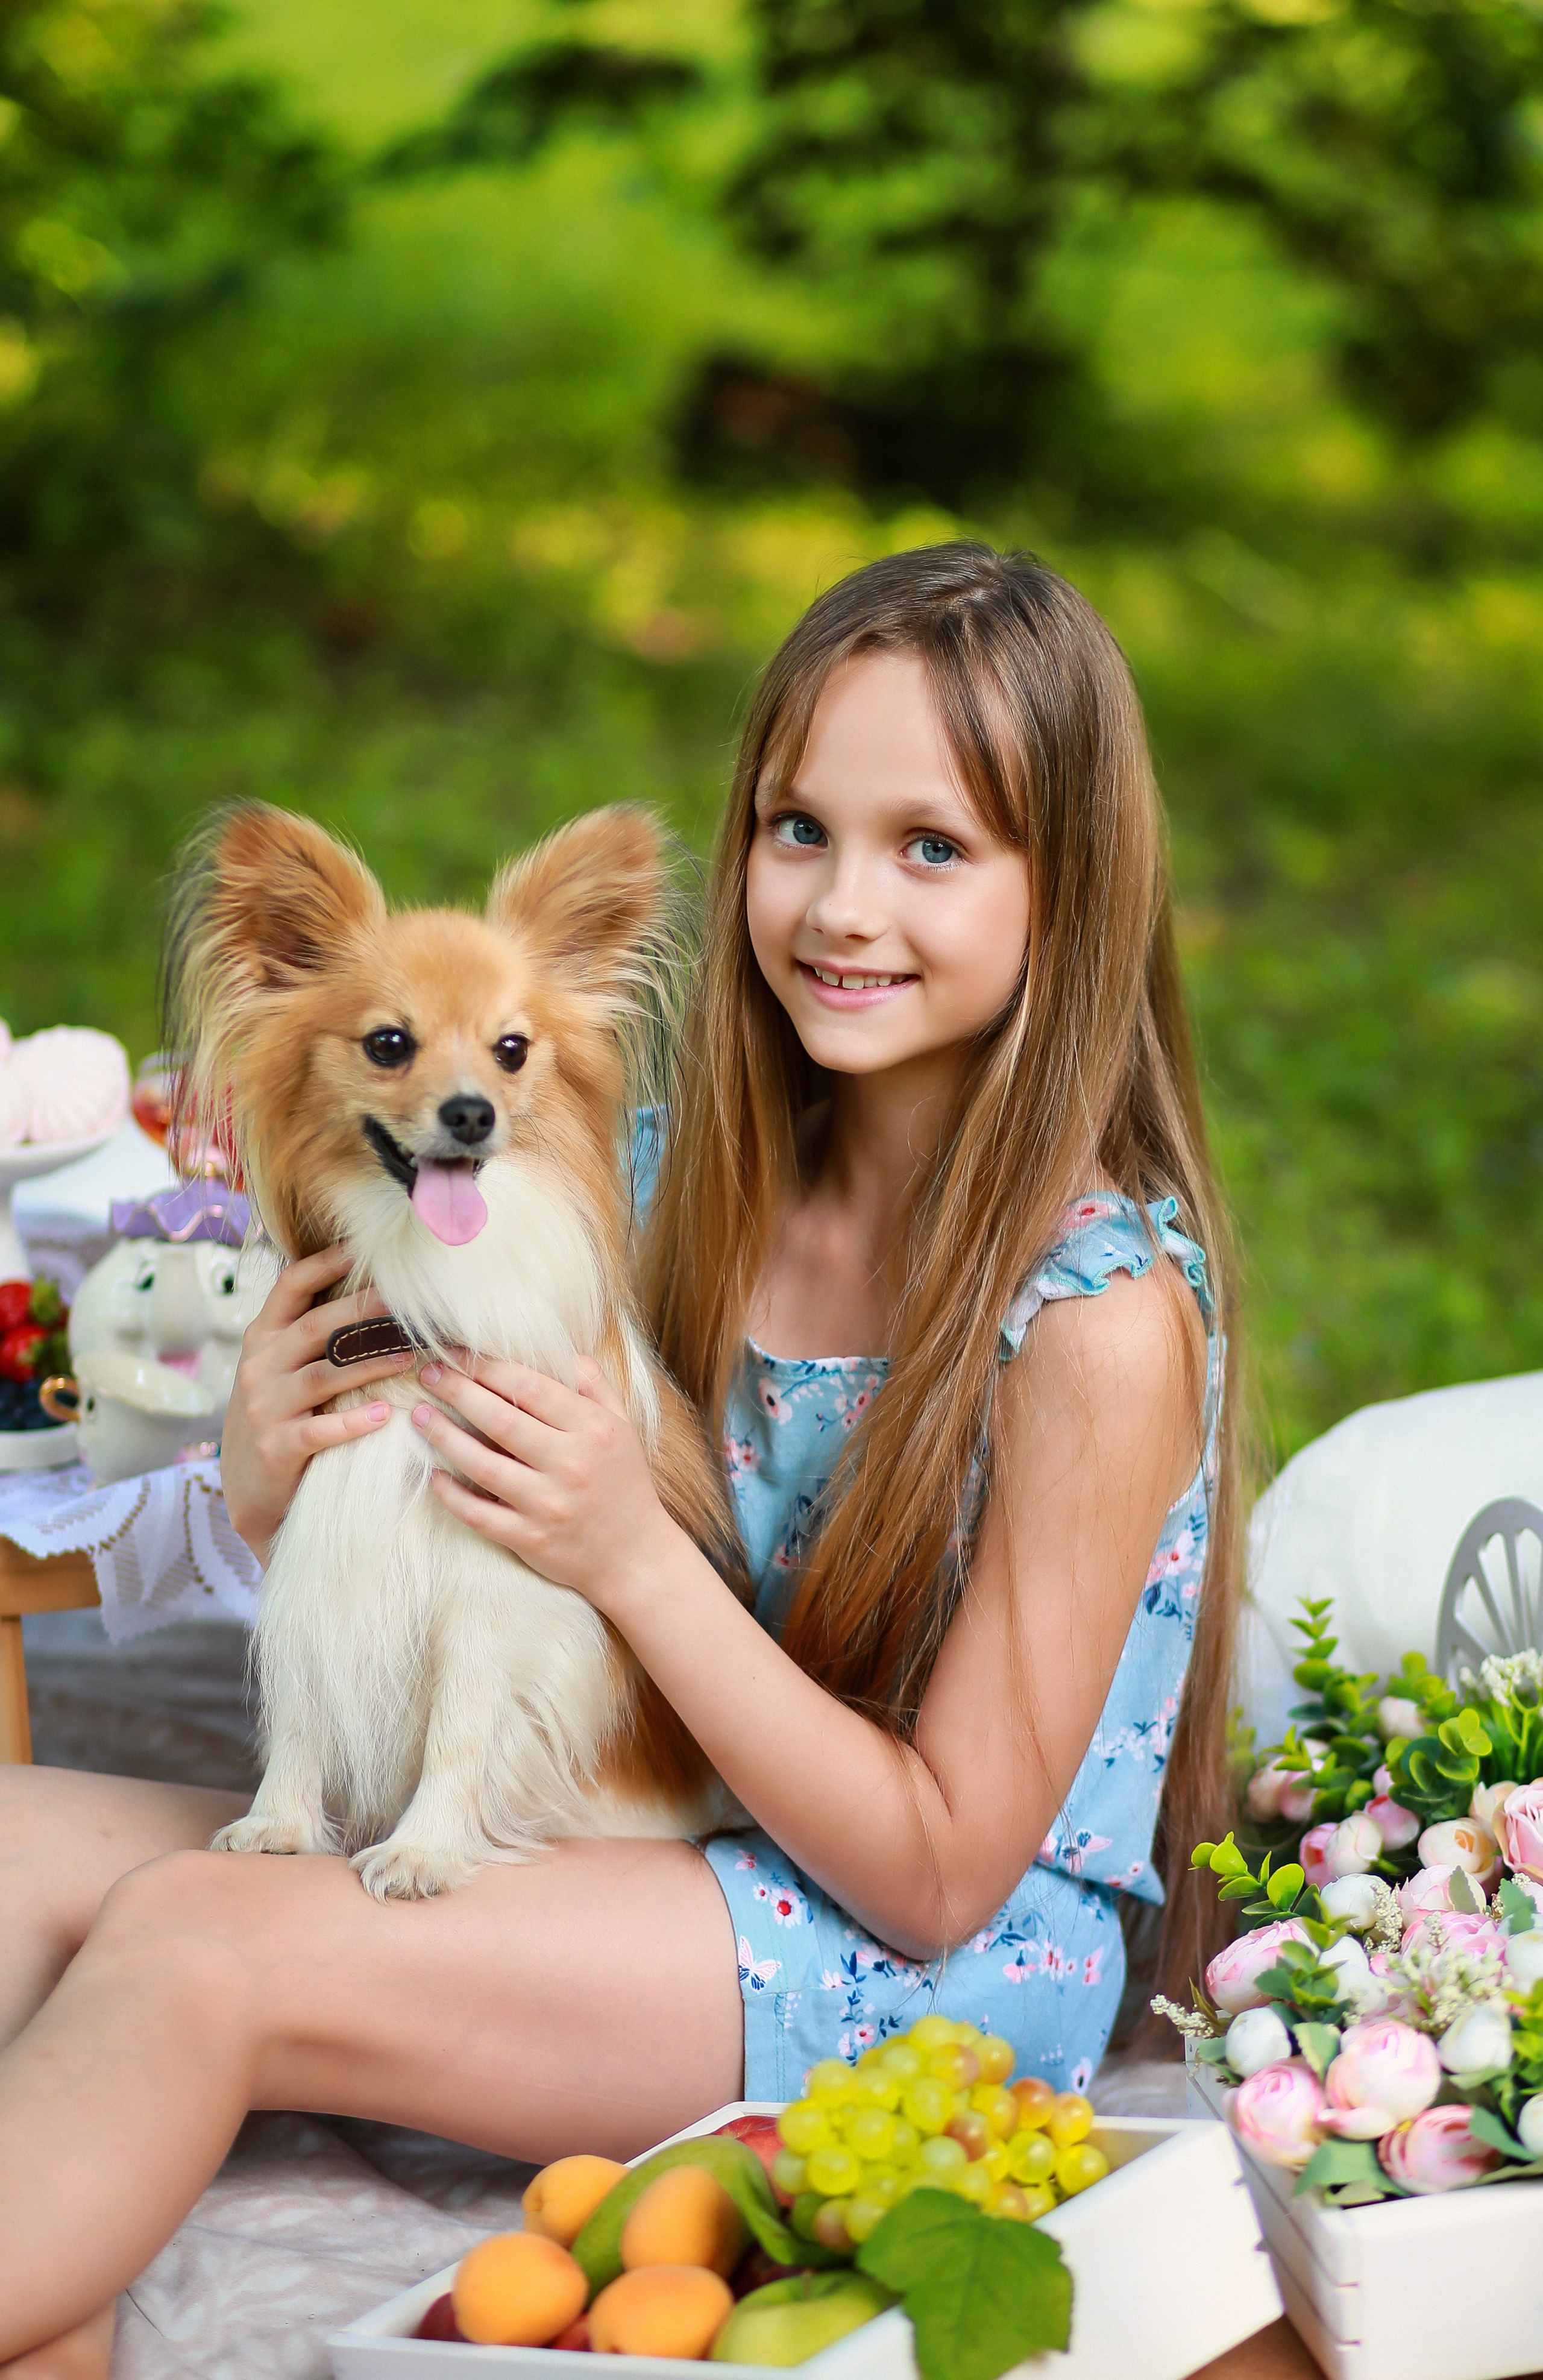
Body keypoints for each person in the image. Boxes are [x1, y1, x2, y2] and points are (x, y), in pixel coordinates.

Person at [0, 543, 1240, 2374]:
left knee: (203, 1938)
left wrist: (634, 1550)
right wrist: (269, 1475)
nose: (842, 903)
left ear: (1074, 893)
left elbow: (937, 1873)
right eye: (799, 827)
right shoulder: (643, 1175)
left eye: (934, 846)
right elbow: (429, 1561)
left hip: (913, 1971)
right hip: (636, 1819)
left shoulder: (1095, 1310)